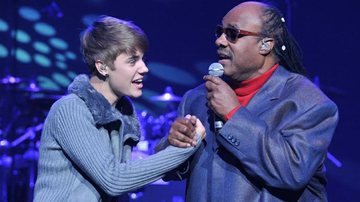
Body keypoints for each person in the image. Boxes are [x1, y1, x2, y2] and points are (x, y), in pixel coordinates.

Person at [156, 1, 339, 201]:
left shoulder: (308, 103)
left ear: (265, 44)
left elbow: (292, 172)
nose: (220, 41)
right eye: (219, 32)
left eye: (232, 34)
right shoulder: (197, 98)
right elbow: (169, 172)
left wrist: (233, 114)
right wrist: (173, 144)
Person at [33, 15, 205, 202]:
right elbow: (114, 180)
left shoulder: (121, 115)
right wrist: (186, 147)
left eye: (143, 59)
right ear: (103, 66)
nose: (145, 68)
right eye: (133, 61)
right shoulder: (71, 109)